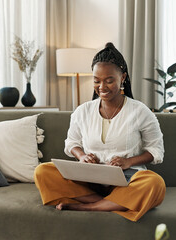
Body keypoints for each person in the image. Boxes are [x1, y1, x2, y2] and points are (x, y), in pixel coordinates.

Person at [34, 42, 165, 222]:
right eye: (97, 80)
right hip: (88, 179)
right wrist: (81, 157)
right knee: (43, 171)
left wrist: (128, 162)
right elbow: (71, 143)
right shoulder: (83, 111)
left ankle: (89, 207)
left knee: (155, 183)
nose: (102, 86)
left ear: (123, 77)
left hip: (126, 180)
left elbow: (156, 151)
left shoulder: (140, 111)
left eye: (109, 80)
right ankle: (111, 204)